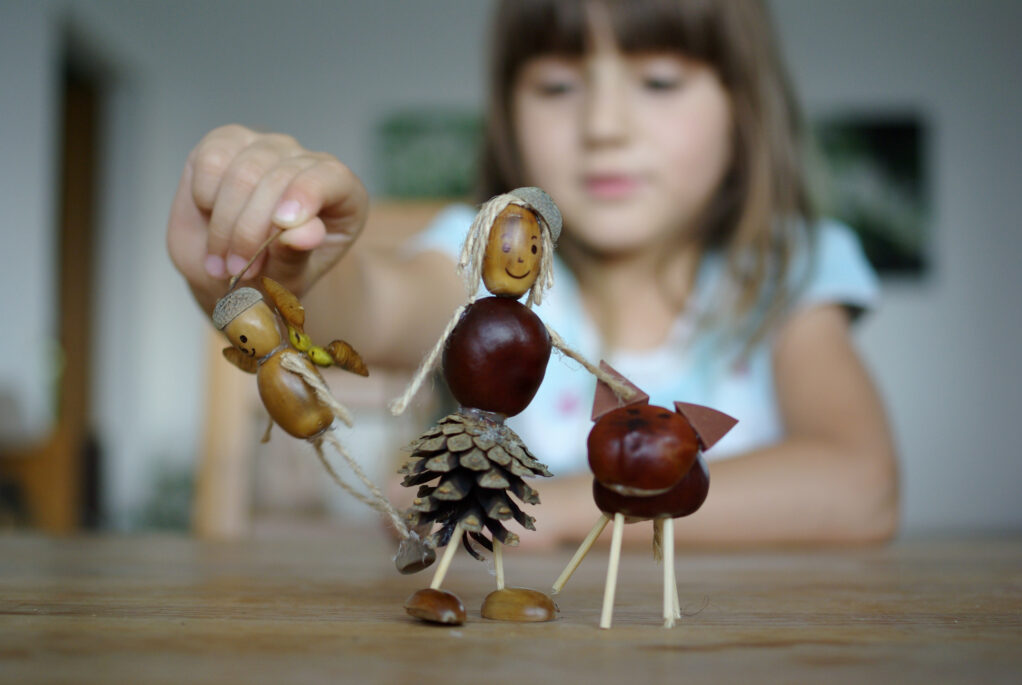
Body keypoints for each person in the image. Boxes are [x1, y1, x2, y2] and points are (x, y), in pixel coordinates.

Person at [167, 0, 898, 549]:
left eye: (661, 80)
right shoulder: (483, 256)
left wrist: (552, 510)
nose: (605, 125)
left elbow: (860, 487)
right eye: (556, 86)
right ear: (507, 115)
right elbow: (375, 309)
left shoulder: (790, 272)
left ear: (743, 107)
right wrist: (285, 275)